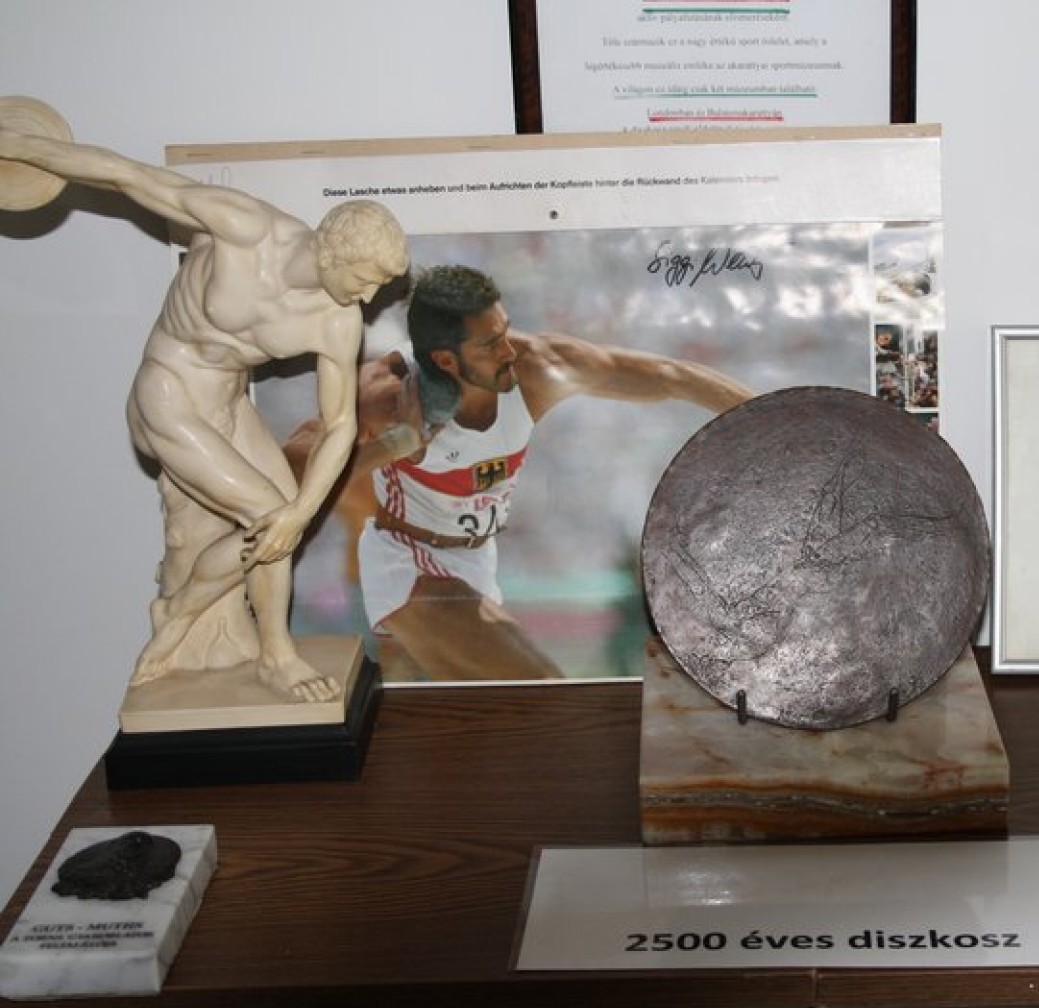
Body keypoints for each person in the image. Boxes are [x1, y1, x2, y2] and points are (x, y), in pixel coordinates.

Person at [0, 115, 409, 703]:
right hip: (167, 393)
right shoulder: (246, 228)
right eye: (365, 280)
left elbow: (341, 423)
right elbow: (126, 176)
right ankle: (268, 653)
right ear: (333, 249)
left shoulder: (337, 320)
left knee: (281, 523)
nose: (368, 297)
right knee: (268, 513)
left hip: (227, 404)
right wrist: (23, 146)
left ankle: (185, 618)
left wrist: (303, 510)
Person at [355, 264, 753, 680]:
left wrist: (778, 420)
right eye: (489, 344)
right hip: (411, 561)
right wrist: (396, 444)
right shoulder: (386, 396)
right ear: (445, 359)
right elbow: (315, 477)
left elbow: (672, 377)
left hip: (476, 562)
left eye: (504, 331)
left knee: (496, 712)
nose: (508, 351)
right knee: (546, 690)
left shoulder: (537, 366)